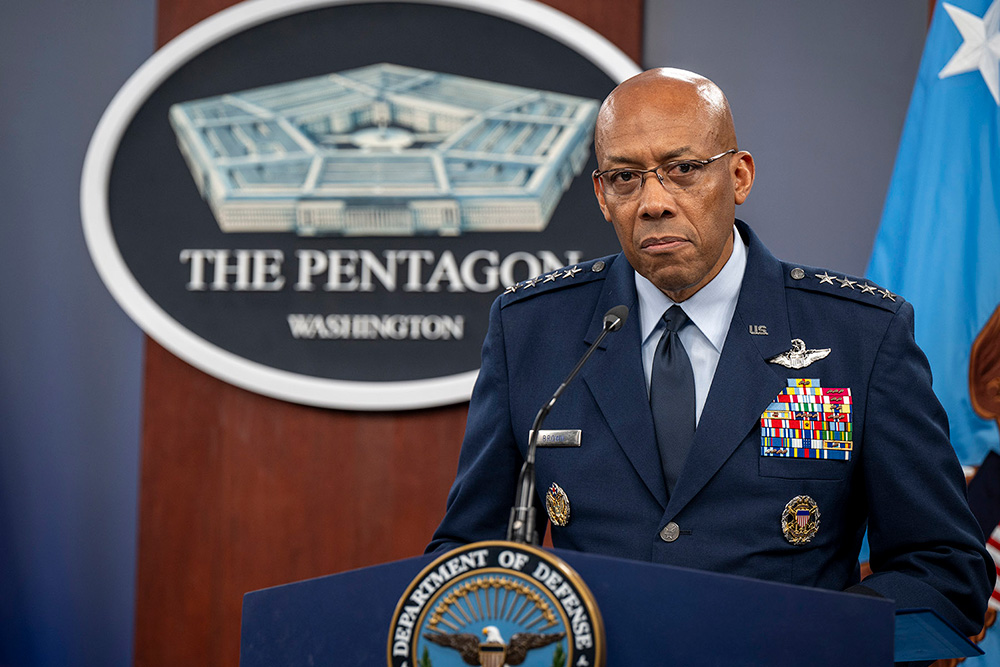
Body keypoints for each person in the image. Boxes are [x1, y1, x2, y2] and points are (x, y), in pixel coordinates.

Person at [427, 68, 994, 635]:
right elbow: (465, 556)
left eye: (683, 170)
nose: (653, 201)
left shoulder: (858, 334)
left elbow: (944, 567)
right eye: (626, 177)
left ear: (739, 175)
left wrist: (809, 637)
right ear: (602, 196)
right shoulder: (532, 331)